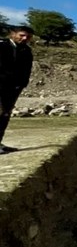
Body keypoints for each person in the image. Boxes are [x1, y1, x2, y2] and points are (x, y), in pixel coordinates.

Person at [0, 25, 34, 154]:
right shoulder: (2, 46)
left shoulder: (26, 50)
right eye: (22, 35)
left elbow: (26, 70)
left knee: (5, 114)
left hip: (14, 88)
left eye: (28, 37)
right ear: (13, 34)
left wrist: (22, 84)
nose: (25, 38)